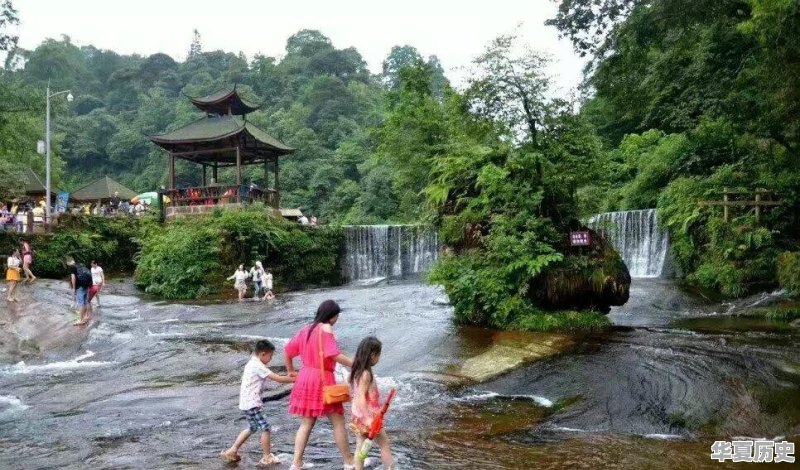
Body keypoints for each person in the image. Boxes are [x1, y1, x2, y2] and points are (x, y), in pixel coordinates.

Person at [284, 300, 355, 470]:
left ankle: (296, 463)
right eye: (337, 316)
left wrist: (290, 370)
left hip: (304, 377)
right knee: (337, 421)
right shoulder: (326, 328)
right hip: (322, 379)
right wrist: (356, 364)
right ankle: (349, 461)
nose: (336, 319)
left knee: (306, 423)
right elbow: (334, 355)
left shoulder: (306, 329)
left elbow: (287, 350)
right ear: (331, 317)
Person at [220, 340, 296, 465]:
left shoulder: (252, 363)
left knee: (252, 427)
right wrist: (297, 379)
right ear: (263, 354)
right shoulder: (257, 366)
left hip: (246, 402)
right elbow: (277, 378)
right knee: (266, 428)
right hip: (252, 403)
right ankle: (267, 457)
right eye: (270, 356)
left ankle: (232, 450)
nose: (270, 359)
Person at [349, 337, 394, 470]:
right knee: (384, 445)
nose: (379, 359)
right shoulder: (366, 374)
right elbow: (361, 397)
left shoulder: (357, 370)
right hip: (369, 416)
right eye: (379, 355)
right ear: (373, 355)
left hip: (357, 415)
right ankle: (390, 468)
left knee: (361, 446)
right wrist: (368, 418)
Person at [66, 257, 94, 326]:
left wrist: (74, 289)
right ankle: (85, 317)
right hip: (86, 285)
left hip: (80, 287)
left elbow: (73, 278)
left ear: (68, 262)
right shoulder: (80, 264)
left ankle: (81, 320)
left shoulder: (72, 267)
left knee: (81, 304)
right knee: (85, 302)